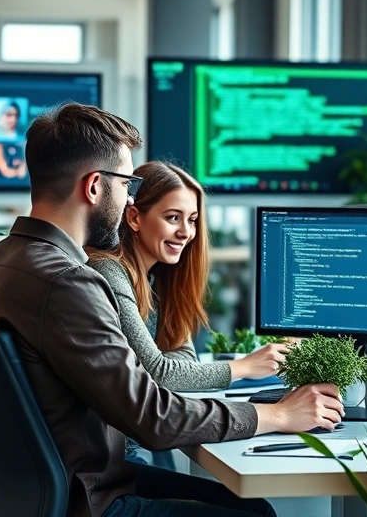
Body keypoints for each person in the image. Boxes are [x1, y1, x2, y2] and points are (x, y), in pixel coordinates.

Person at [0, 102, 344, 517]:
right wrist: (278, 414)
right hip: (87, 500)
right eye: (126, 185)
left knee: (248, 505)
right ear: (95, 187)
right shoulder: (68, 283)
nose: (128, 199)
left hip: (27, 495)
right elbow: (152, 418)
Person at [86, 161, 287, 469]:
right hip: (109, 463)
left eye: (192, 220)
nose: (185, 232)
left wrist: (171, 369)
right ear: (134, 217)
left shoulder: (159, 276)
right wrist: (246, 366)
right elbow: (159, 373)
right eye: (172, 218)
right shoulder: (110, 271)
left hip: (130, 451)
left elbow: (181, 364)